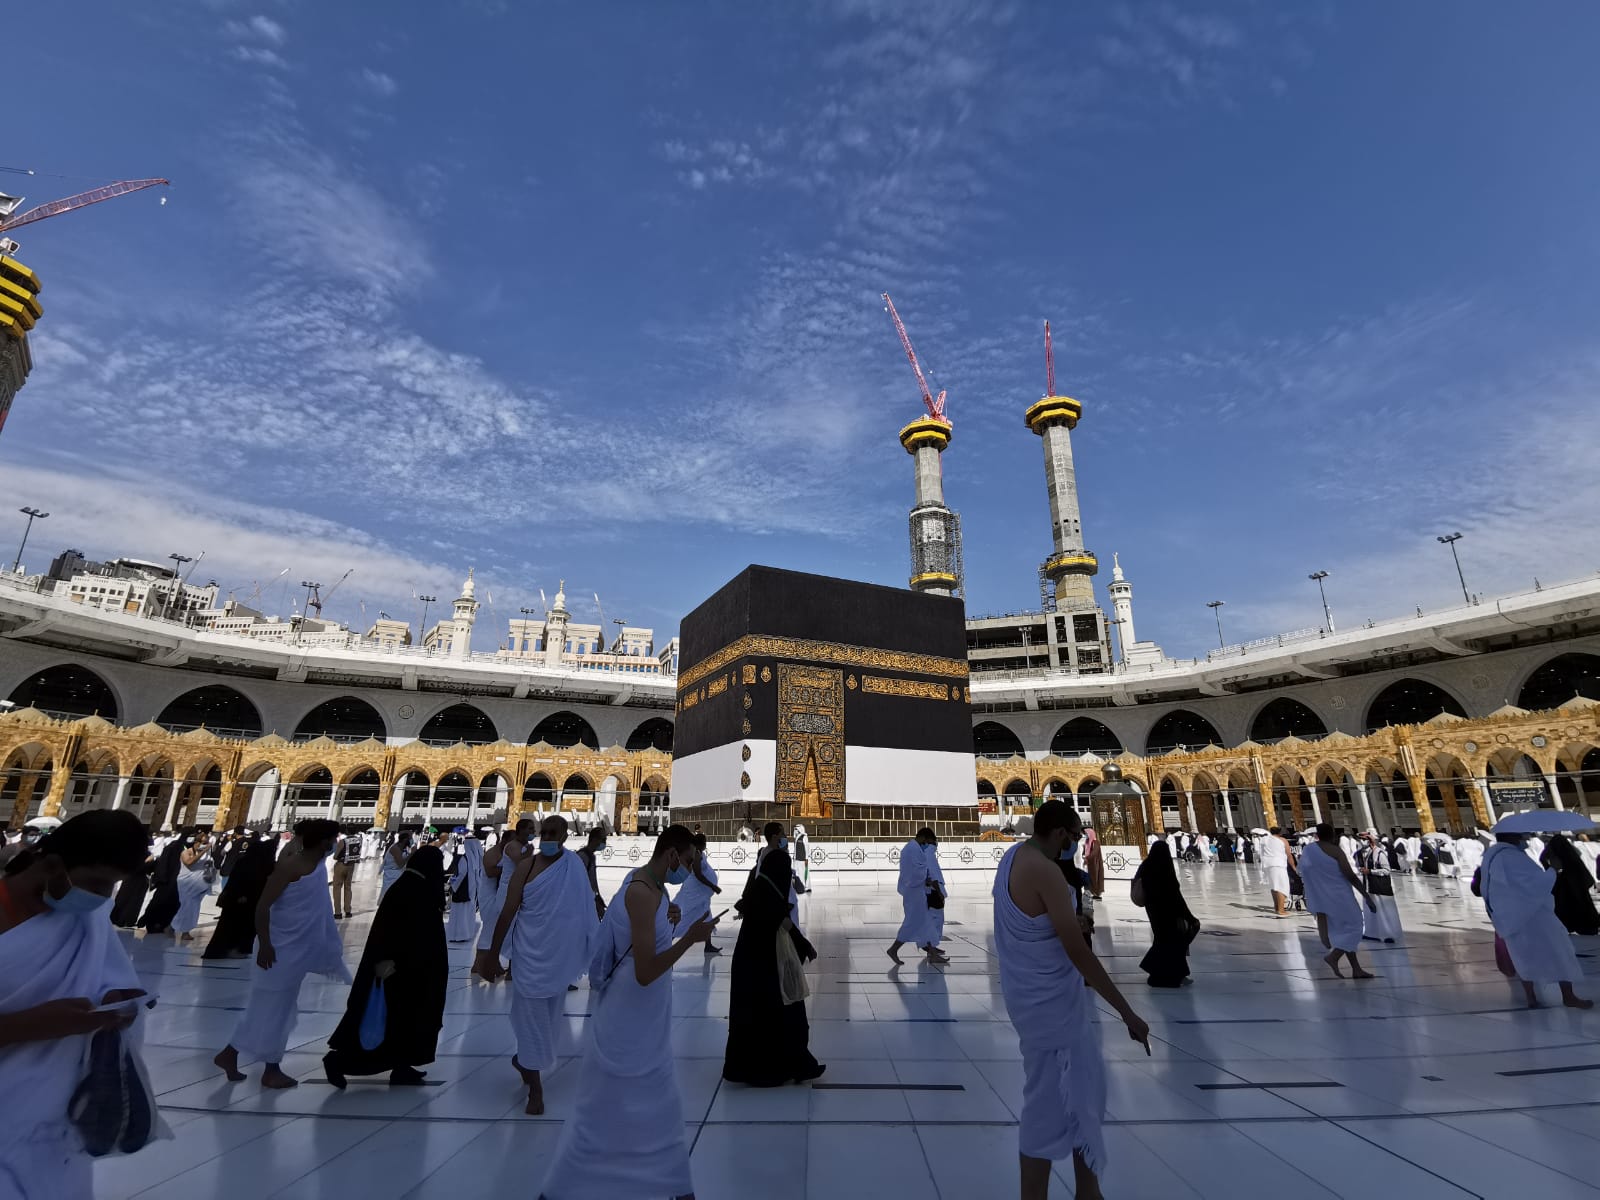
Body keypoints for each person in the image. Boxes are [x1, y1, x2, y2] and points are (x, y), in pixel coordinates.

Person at [537, 825, 716, 1200]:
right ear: (670, 855)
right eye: (685, 861)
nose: (686, 869)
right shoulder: (640, 894)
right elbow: (646, 970)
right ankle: (563, 1187)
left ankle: (670, 1184)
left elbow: (643, 937)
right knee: (607, 1107)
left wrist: (670, 915)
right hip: (627, 1018)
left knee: (650, 1105)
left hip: (644, 1018)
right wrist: (690, 938)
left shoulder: (651, 887)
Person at [993, 801, 1150, 1200]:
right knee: (1048, 1102)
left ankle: (1088, 1189)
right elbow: (1079, 954)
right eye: (1076, 836)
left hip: (1030, 999)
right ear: (1062, 833)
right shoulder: (1045, 870)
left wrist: (1066, 922)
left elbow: (1035, 921)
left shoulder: (1013, 857)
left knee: (1079, 1091)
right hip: (1052, 1010)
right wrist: (1127, 1012)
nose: (1076, 843)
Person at [0, 810, 156, 1200]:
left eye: (112, 886)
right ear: (52, 863)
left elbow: (111, 978)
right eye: (96, 882)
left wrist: (115, 999)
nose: (103, 897)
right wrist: (28, 1025)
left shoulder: (87, 921)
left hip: (54, 1121)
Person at [214, 818, 351, 1089]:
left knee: (272, 1008)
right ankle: (269, 1068)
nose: (335, 843)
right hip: (278, 950)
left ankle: (231, 1054)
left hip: (297, 949)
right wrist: (265, 944)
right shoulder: (290, 866)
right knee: (274, 1010)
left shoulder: (314, 864)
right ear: (324, 842)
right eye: (333, 839)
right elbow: (263, 907)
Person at [485, 815, 599, 1115]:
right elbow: (508, 912)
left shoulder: (572, 866)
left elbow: (583, 910)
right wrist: (492, 954)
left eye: (553, 832)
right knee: (531, 1018)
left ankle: (524, 1059)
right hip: (528, 955)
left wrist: (591, 946)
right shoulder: (528, 866)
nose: (547, 837)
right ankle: (536, 1090)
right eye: (543, 832)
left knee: (548, 1023)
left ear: (564, 835)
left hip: (557, 959)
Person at [324, 845, 449, 1089]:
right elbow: (388, 932)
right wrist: (385, 961)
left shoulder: (416, 886)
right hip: (398, 970)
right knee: (389, 1019)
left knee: (408, 1018)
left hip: (415, 969)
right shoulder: (408, 890)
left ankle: (403, 1066)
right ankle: (338, 1061)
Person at [723, 846, 823, 1086]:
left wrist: (802, 943)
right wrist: (803, 944)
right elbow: (782, 921)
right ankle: (777, 1067)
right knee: (779, 1015)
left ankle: (788, 1064)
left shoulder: (765, 889)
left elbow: (780, 919)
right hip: (763, 970)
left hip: (758, 966)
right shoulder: (765, 892)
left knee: (771, 1016)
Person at [1479, 830, 1593, 1009]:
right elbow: (1535, 884)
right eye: (1520, 836)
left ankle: (1531, 997)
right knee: (1560, 951)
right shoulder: (1511, 857)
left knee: (1524, 956)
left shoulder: (1492, 856)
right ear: (1512, 837)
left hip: (1511, 916)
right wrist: (1553, 869)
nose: (1524, 839)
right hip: (1534, 916)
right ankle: (1568, 996)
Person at [1299, 824, 1376, 979]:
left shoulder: (1308, 850)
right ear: (1332, 835)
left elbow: (1302, 870)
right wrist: (1365, 895)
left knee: (1344, 932)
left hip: (1321, 896)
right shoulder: (1335, 851)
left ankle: (1356, 969)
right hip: (1340, 895)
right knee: (1355, 926)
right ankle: (1333, 956)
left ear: (1317, 835)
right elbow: (1350, 875)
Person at [1131, 840, 1200, 987]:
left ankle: (1174, 974)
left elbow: (1137, 881)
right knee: (1173, 943)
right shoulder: (1165, 866)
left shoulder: (1147, 865)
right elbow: (1175, 895)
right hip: (1169, 912)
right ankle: (1168, 974)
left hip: (1153, 911)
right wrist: (1189, 916)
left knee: (1164, 941)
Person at [474, 818, 533, 981]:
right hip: (502, 893)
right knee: (496, 929)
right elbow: (521, 864)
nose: (532, 832)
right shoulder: (512, 847)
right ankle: (485, 964)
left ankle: (503, 966)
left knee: (515, 931)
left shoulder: (520, 847)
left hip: (512, 891)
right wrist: (530, 851)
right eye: (529, 829)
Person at [204, 836, 277, 960]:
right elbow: (239, 881)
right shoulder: (252, 863)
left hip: (247, 900)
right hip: (241, 899)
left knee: (239, 925)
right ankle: (231, 949)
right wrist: (241, 895)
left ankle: (236, 949)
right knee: (235, 926)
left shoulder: (252, 862)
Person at [888, 828, 947, 964]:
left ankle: (933, 954)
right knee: (911, 924)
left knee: (926, 925)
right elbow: (916, 873)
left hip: (917, 892)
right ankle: (893, 949)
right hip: (913, 893)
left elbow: (919, 870)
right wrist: (928, 880)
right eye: (929, 842)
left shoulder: (913, 849)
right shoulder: (912, 850)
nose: (928, 846)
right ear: (924, 838)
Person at [1540, 835, 1600, 936]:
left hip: (1568, 915)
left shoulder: (1561, 875)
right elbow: (1588, 882)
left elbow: (1542, 859)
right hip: (1584, 913)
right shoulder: (1574, 865)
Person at [675, 832, 723, 954]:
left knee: (706, 914)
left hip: (701, 894)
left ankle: (708, 945)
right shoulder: (696, 855)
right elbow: (698, 874)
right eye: (704, 843)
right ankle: (669, 938)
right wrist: (713, 886)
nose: (706, 845)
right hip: (694, 893)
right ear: (700, 844)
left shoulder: (700, 853)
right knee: (685, 915)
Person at [1356, 830, 1402, 943]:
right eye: (1361, 839)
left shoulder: (1379, 853)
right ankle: (1371, 933)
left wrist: (1370, 871)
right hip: (1368, 886)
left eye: (1365, 839)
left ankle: (1389, 934)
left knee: (1384, 911)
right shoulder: (1361, 854)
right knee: (1370, 910)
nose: (1362, 841)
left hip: (1381, 887)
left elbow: (1387, 870)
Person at [138, 833, 188, 933]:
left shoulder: (181, 848)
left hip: (173, 882)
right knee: (161, 903)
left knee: (168, 904)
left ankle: (160, 923)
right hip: (169, 882)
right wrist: (162, 878)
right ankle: (153, 923)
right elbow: (164, 863)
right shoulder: (174, 848)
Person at [172, 832, 215, 942]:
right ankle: (171, 927)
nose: (204, 845)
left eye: (206, 843)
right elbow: (189, 862)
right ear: (196, 842)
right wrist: (204, 851)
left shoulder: (208, 857)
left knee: (192, 910)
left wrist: (208, 887)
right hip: (185, 884)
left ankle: (186, 931)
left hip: (198, 887)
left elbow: (209, 873)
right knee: (181, 907)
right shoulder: (186, 852)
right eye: (202, 843)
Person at [110, 836, 156, 928]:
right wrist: (148, 861)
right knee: (131, 900)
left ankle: (119, 919)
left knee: (126, 899)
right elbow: (138, 867)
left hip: (133, 880)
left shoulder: (136, 853)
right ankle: (125, 920)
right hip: (136, 880)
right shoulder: (142, 854)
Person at [445, 834, 482, 943]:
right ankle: (465, 934)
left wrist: (451, 883)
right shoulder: (477, 860)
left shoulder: (464, 859)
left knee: (459, 913)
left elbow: (460, 875)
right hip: (471, 890)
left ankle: (458, 935)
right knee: (467, 913)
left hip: (462, 890)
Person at [574, 825, 607, 919]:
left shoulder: (591, 856)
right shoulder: (583, 856)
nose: (604, 842)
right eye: (603, 839)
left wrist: (598, 898)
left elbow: (593, 882)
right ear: (595, 839)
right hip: (583, 904)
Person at [1259, 826, 1293, 917]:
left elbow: (1261, 852)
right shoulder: (1282, 840)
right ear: (1280, 833)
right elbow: (1289, 855)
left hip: (1268, 865)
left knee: (1274, 886)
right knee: (1282, 887)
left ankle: (1277, 907)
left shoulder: (1264, 840)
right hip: (1279, 865)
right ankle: (1281, 910)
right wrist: (1294, 866)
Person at [329, 827, 361, 919]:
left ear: (347, 831)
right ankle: (348, 911)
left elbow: (335, 856)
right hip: (351, 866)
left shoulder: (343, 841)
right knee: (348, 887)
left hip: (341, 865)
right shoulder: (359, 840)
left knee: (337, 888)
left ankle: (338, 912)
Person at [379, 830, 412, 898]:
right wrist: (411, 854)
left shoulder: (404, 848)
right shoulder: (395, 848)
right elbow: (401, 864)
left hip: (398, 875)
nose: (411, 841)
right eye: (410, 839)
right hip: (392, 875)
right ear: (405, 840)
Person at [1082, 824, 1105, 897]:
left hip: (1095, 863)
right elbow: (1085, 851)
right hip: (1089, 863)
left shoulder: (1095, 842)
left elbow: (1094, 853)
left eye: (1087, 834)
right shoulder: (1087, 842)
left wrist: (1087, 858)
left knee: (1095, 878)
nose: (1086, 835)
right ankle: (1091, 892)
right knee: (1089, 878)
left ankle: (1096, 893)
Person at [791, 823, 810, 891]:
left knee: (803, 873)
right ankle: (799, 886)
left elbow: (806, 848)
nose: (795, 830)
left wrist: (806, 858)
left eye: (797, 829)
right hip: (796, 859)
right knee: (797, 873)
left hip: (802, 859)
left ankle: (805, 887)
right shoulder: (796, 837)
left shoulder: (804, 837)